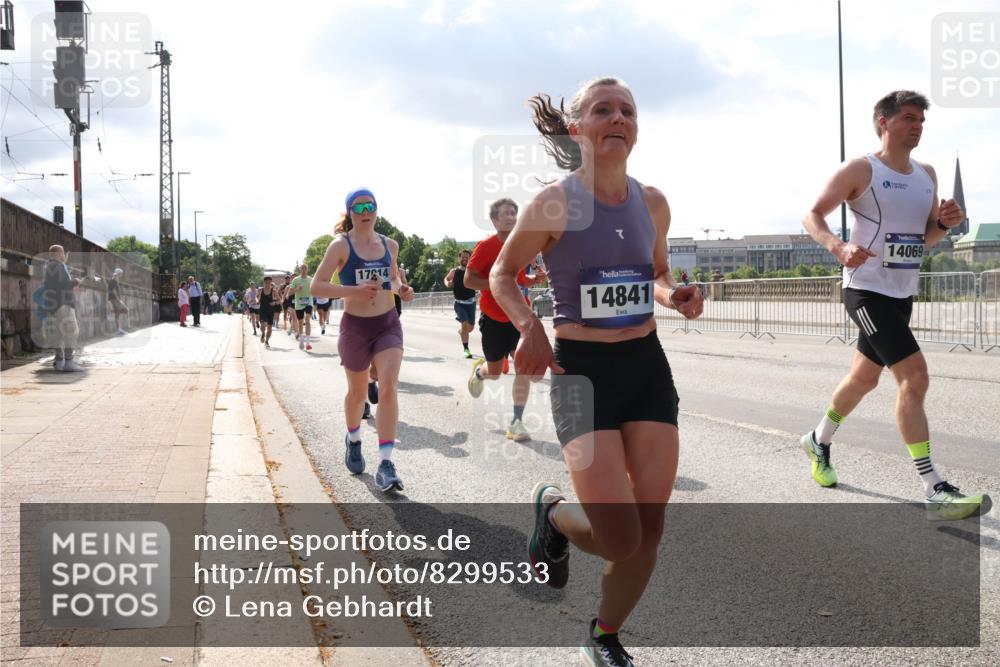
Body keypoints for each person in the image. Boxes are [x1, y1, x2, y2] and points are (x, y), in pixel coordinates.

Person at [490, 77, 704, 667]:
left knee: (649, 529)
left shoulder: (653, 202)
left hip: (646, 368)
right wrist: (529, 327)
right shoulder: (554, 203)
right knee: (618, 536)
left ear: (636, 128)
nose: (618, 118)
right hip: (580, 372)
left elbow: (656, 273)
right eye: (603, 110)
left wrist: (675, 295)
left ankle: (605, 634)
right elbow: (502, 276)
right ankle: (553, 514)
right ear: (578, 127)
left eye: (628, 111)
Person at [800, 90, 989, 521]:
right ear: (883, 122)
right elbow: (812, 214)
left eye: (921, 119)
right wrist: (838, 246)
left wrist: (945, 222)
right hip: (866, 289)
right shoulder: (861, 169)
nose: (917, 125)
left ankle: (818, 439)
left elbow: (923, 239)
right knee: (915, 377)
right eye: (908, 118)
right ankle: (932, 487)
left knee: (863, 380)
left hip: (902, 291)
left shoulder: (927, 174)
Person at [311, 188, 414, 493]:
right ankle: (354, 438)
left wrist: (401, 289)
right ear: (350, 213)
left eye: (370, 205)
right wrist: (353, 292)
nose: (365, 211)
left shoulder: (389, 245)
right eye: (358, 207)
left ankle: (385, 463)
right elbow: (317, 287)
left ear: (377, 211)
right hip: (355, 327)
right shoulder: (340, 247)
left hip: (387, 325)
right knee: (358, 395)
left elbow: (393, 279)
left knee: (389, 386)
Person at [465, 198, 548, 443]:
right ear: (494, 220)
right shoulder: (486, 246)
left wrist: (535, 279)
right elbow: (469, 280)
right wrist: (496, 284)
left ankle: (516, 421)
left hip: (519, 317)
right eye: (506, 214)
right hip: (493, 318)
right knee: (495, 372)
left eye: (514, 213)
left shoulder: (522, 245)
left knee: (522, 368)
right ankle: (479, 373)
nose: (511, 217)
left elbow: (520, 280)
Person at [40, 245, 84, 371]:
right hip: (63, 305)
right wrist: (76, 281)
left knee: (58, 334)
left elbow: (57, 285)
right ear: (59, 253)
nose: (65, 255)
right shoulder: (58, 266)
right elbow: (64, 284)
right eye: (63, 253)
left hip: (54, 306)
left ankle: (59, 362)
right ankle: (69, 362)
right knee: (71, 332)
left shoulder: (49, 266)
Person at [444, 249, 477, 358]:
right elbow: (446, 278)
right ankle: (466, 349)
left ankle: (462, 331)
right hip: (459, 303)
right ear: (460, 258)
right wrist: (447, 283)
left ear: (470, 258)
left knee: (470, 328)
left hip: (471, 303)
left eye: (466, 257)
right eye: (462, 257)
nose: (464, 258)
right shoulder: (454, 271)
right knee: (464, 324)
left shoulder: (472, 271)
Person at [288, 263, 314, 351]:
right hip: (299, 304)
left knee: (307, 319)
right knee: (300, 322)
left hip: (308, 302)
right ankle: (301, 340)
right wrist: (297, 289)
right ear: (300, 270)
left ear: (307, 269)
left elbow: (315, 289)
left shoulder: (311, 279)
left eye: (305, 268)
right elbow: (290, 293)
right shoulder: (295, 280)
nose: (304, 269)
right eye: (302, 268)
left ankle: (308, 343)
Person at [107, 267, 128, 335]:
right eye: (120, 274)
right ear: (118, 273)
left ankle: (119, 330)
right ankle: (119, 329)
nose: (121, 275)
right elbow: (113, 290)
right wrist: (118, 299)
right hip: (114, 299)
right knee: (125, 309)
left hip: (113, 299)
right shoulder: (113, 280)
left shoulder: (115, 280)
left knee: (118, 314)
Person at [258, 276, 277, 347]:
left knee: (269, 327)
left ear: (271, 283)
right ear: (264, 282)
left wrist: (274, 303)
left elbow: (279, 300)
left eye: (269, 283)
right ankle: (263, 333)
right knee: (263, 325)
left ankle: (267, 341)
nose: (268, 284)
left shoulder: (273, 291)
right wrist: (257, 301)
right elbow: (258, 298)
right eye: (266, 283)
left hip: (270, 311)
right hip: (262, 310)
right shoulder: (260, 290)